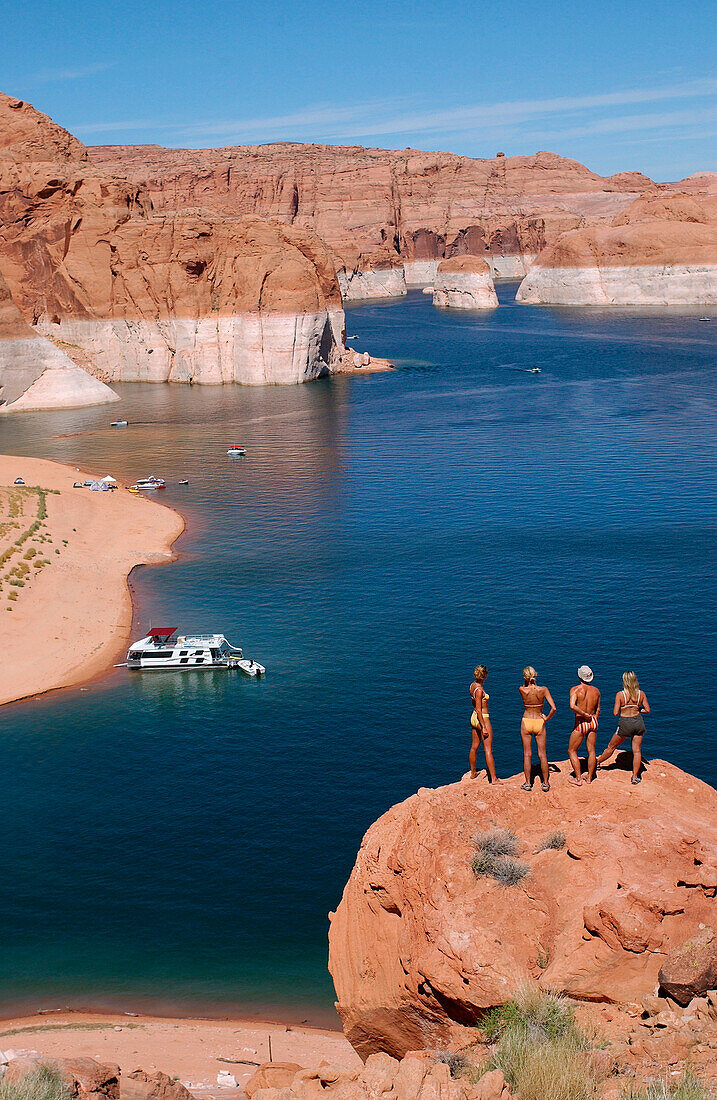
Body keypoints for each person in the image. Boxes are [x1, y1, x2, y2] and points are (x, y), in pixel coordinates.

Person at [596, 671, 650, 784]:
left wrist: (624, 708)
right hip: (638, 722)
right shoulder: (641, 694)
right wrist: (637, 709)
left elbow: (615, 713)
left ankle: (597, 762)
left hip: (625, 723)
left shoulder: (620, 695)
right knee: (636, 751)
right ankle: (635, 776)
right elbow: (647, 710)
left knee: (611, 746)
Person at [519, 666, 556, 791]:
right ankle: (545, 783)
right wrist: (547, 718)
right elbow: (554, 708)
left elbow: (524, 686)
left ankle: (528, 783)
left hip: (526, 721)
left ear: (525, 677)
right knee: (542, 754)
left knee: (527, 754)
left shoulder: (522, 690)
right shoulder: (543, 690)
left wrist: (527, 681)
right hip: (539, 721)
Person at [567, 665, 601, 785]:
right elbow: (598, 709)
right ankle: (590, 778)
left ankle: (578, 778)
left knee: (572, 750)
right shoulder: (596, 691)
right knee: (591, 751)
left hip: (581, 722)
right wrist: (593, 719)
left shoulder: (575, 690)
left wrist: (584, 714)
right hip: (593, 722)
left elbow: (572, 706)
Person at [469, 665, 498, 782]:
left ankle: (473, 773)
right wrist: (484, 727)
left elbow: (475, 706)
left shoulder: (472, 686)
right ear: (485, 676)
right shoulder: (480, 690)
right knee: (488, 750)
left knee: (474, 746)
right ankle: (494, 779)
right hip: (483, 718)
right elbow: (480, 709)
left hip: (473, 717)